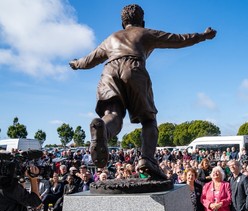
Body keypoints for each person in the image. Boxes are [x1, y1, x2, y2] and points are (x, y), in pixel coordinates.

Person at [69, 4, 216, 179]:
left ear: (123, 22)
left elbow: (89, 60)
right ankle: (147, 159)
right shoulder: (145, 33)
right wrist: (202, 36)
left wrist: (76, 63)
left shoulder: (111, 38)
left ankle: (103, 130)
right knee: (149, 120)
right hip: (134, 69)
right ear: (142, 21)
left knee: (113, 114)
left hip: (109, 72)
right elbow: (177, 39)